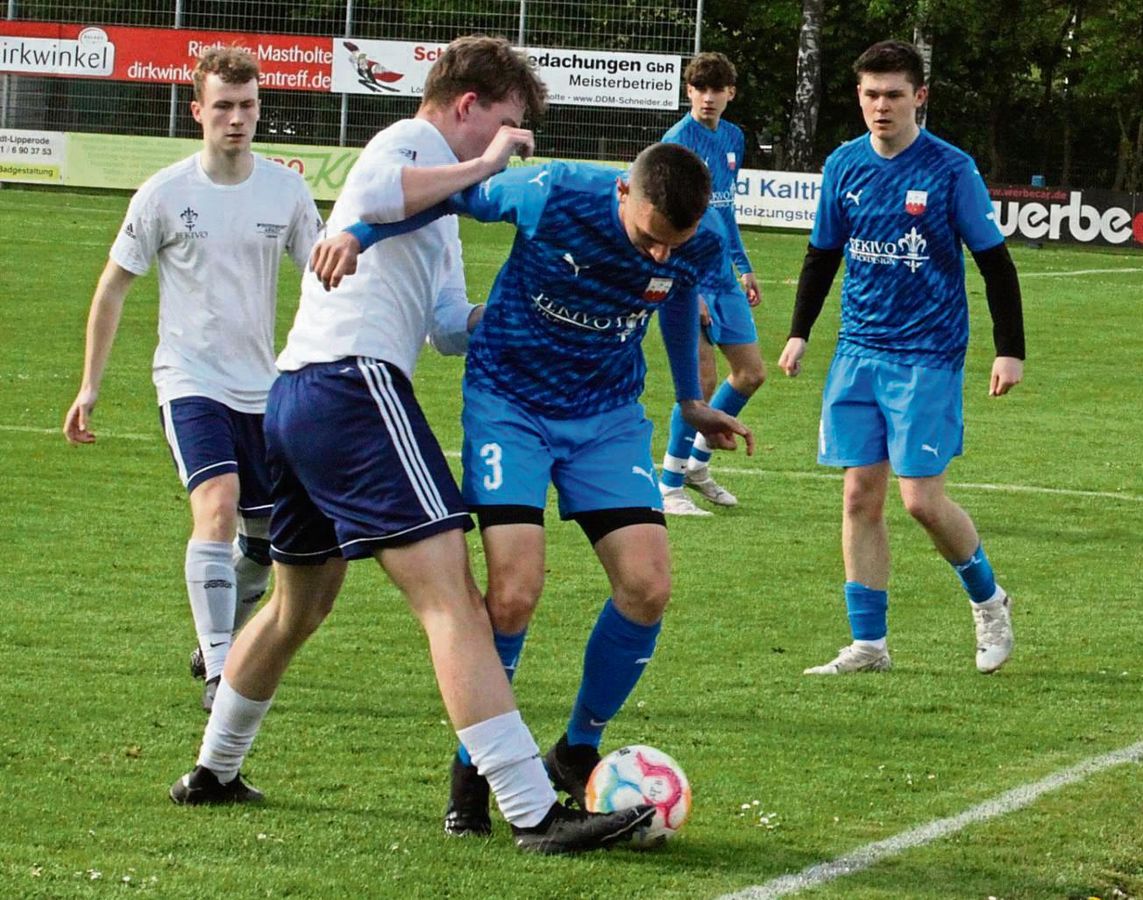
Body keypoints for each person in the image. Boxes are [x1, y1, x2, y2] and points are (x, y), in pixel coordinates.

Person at [168, 36, 653, 856]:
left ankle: (213, 768)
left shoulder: (446, 198)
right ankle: (534, 812)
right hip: (350, 388)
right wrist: (487, 163)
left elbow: (448, 329)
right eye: (505, 124)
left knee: (296, 607)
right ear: (469, 106)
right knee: (452, 601)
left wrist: (535, 312)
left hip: (305, 398)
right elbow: (384, 193)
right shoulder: (409, 141)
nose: (512, 144)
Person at [316, 141, 754, 836]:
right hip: (509, 406)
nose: (659, 255)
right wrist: (356, 231)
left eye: (675, 242)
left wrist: (689, 398)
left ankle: (576, 748)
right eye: (648, 237)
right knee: (514, 592)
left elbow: (676, 296)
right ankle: (474, 768)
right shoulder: (550, 191)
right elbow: (448, 198)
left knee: (647, 585)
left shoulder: (695, 236)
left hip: (606, 416)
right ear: (622, 194)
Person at [63, 47, 322, 711]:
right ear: (197, 111)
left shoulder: (286, 192)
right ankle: (218, 668)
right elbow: (113, 288)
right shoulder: (165, 193)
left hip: (263, 390)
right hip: (188, 379)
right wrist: (89, 385)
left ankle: (223, 627)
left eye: (248, 106)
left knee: (266, 541)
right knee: (215, 504)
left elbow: (323, 279)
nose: (237, 119)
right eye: (224, 107)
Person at [777, 40, 1025, 676]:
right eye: (870, 94)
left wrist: (1010, 349)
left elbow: (994, 262)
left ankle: (989, 600)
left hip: (928, 355)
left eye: (893, 94)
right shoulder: (843, 165)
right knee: (860, 496)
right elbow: (822, 253)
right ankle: (869, 645)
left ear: (920, 97)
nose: (880, 106)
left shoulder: (950, 169)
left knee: (920, 501)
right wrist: (800, 331)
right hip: (859, 350)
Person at [657, 52, 765, 517]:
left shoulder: (734, 138)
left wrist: (743, 265)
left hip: (723, 274)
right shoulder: (677, 142)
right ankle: (669, 484)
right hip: (689, 277)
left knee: (751, 373)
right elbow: (664, 221)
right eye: (699, 89)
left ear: (730, 94)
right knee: (697, 382)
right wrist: (691, 288)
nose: (707, 98)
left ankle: (698, 465)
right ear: (689, 93)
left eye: (716, 89)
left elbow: (724, 208)